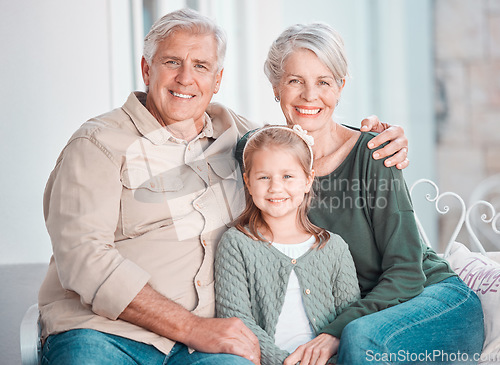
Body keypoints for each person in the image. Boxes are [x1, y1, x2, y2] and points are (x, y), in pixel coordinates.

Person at [38, 8, 409, 365]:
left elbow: (300, 142)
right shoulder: (97, 144)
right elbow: (84, 259)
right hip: (105, 333)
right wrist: (192, 327)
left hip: (207, 346)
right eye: (171, 62)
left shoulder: (241, 137)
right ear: (146, 68)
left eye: (201, 66)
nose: (186, 78)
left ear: (217, 80)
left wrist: (374, 138)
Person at [250, 22, 484, 364]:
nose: (309, 96)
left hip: (432, 302)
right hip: (369, 317)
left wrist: (334, 331)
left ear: (341, 87)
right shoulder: (261, 160)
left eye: (324, 82)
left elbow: (407, 272)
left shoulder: (375, 152)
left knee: (360, 338)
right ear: (276, 87)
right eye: (295, 81)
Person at [215, 125, 361, 365]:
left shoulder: (334, 248)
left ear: (307, 180)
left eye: (287, 176)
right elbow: (237, 317)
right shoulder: (237, 243)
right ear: (248, 182)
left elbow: (349, 319)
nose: (275, 187)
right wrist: (284, 362)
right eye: (263, 177)